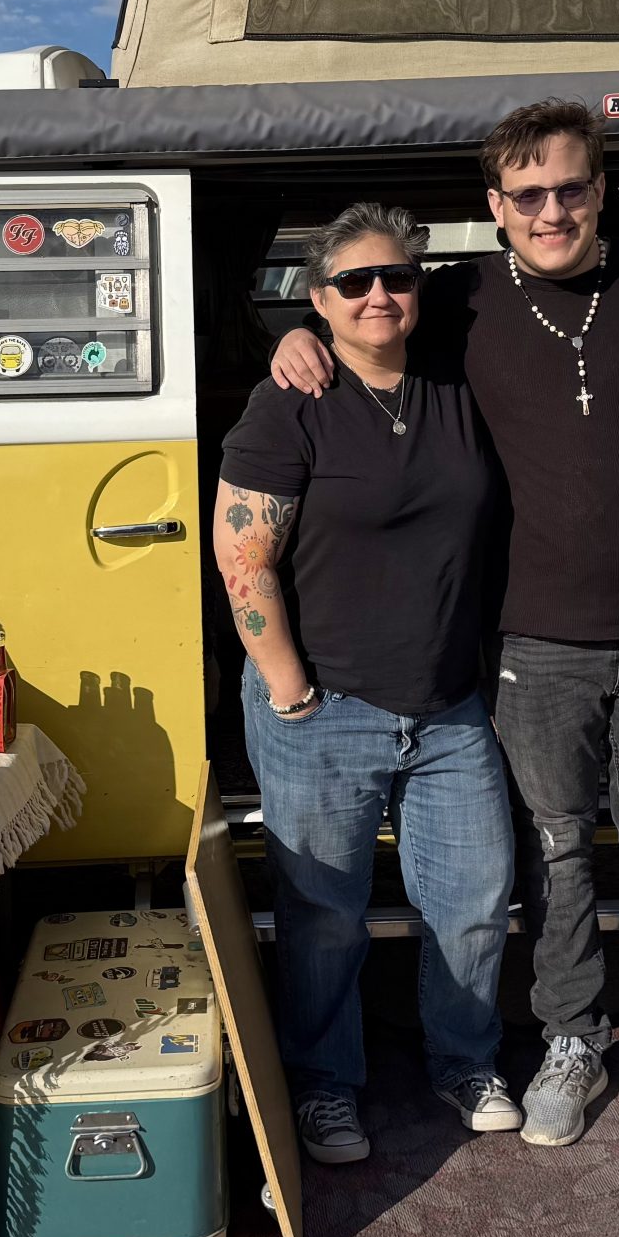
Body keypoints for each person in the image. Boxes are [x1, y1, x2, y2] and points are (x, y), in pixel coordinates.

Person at [272, 100, 619, 1148]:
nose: (552, 211)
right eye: (528, 195)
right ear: (496, 208)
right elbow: (367, 311)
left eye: (570, 189)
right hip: (533, 639)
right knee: (553, 853)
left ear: (599, 188)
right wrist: (294, 339)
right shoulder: (460, 299)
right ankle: (571, 1041)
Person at [216, 202, 521, 1165]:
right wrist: (292, 693)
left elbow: (542, 267)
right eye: (352, 284)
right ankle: (324, 1085)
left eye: (396, 277)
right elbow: (244, 562)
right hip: (323, 706)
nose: (379, 294)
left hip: (448, 706)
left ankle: (464, 1061)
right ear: (319, 300)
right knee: (323, 918)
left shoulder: (460, 380)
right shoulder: (290, 403)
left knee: (474, 899)